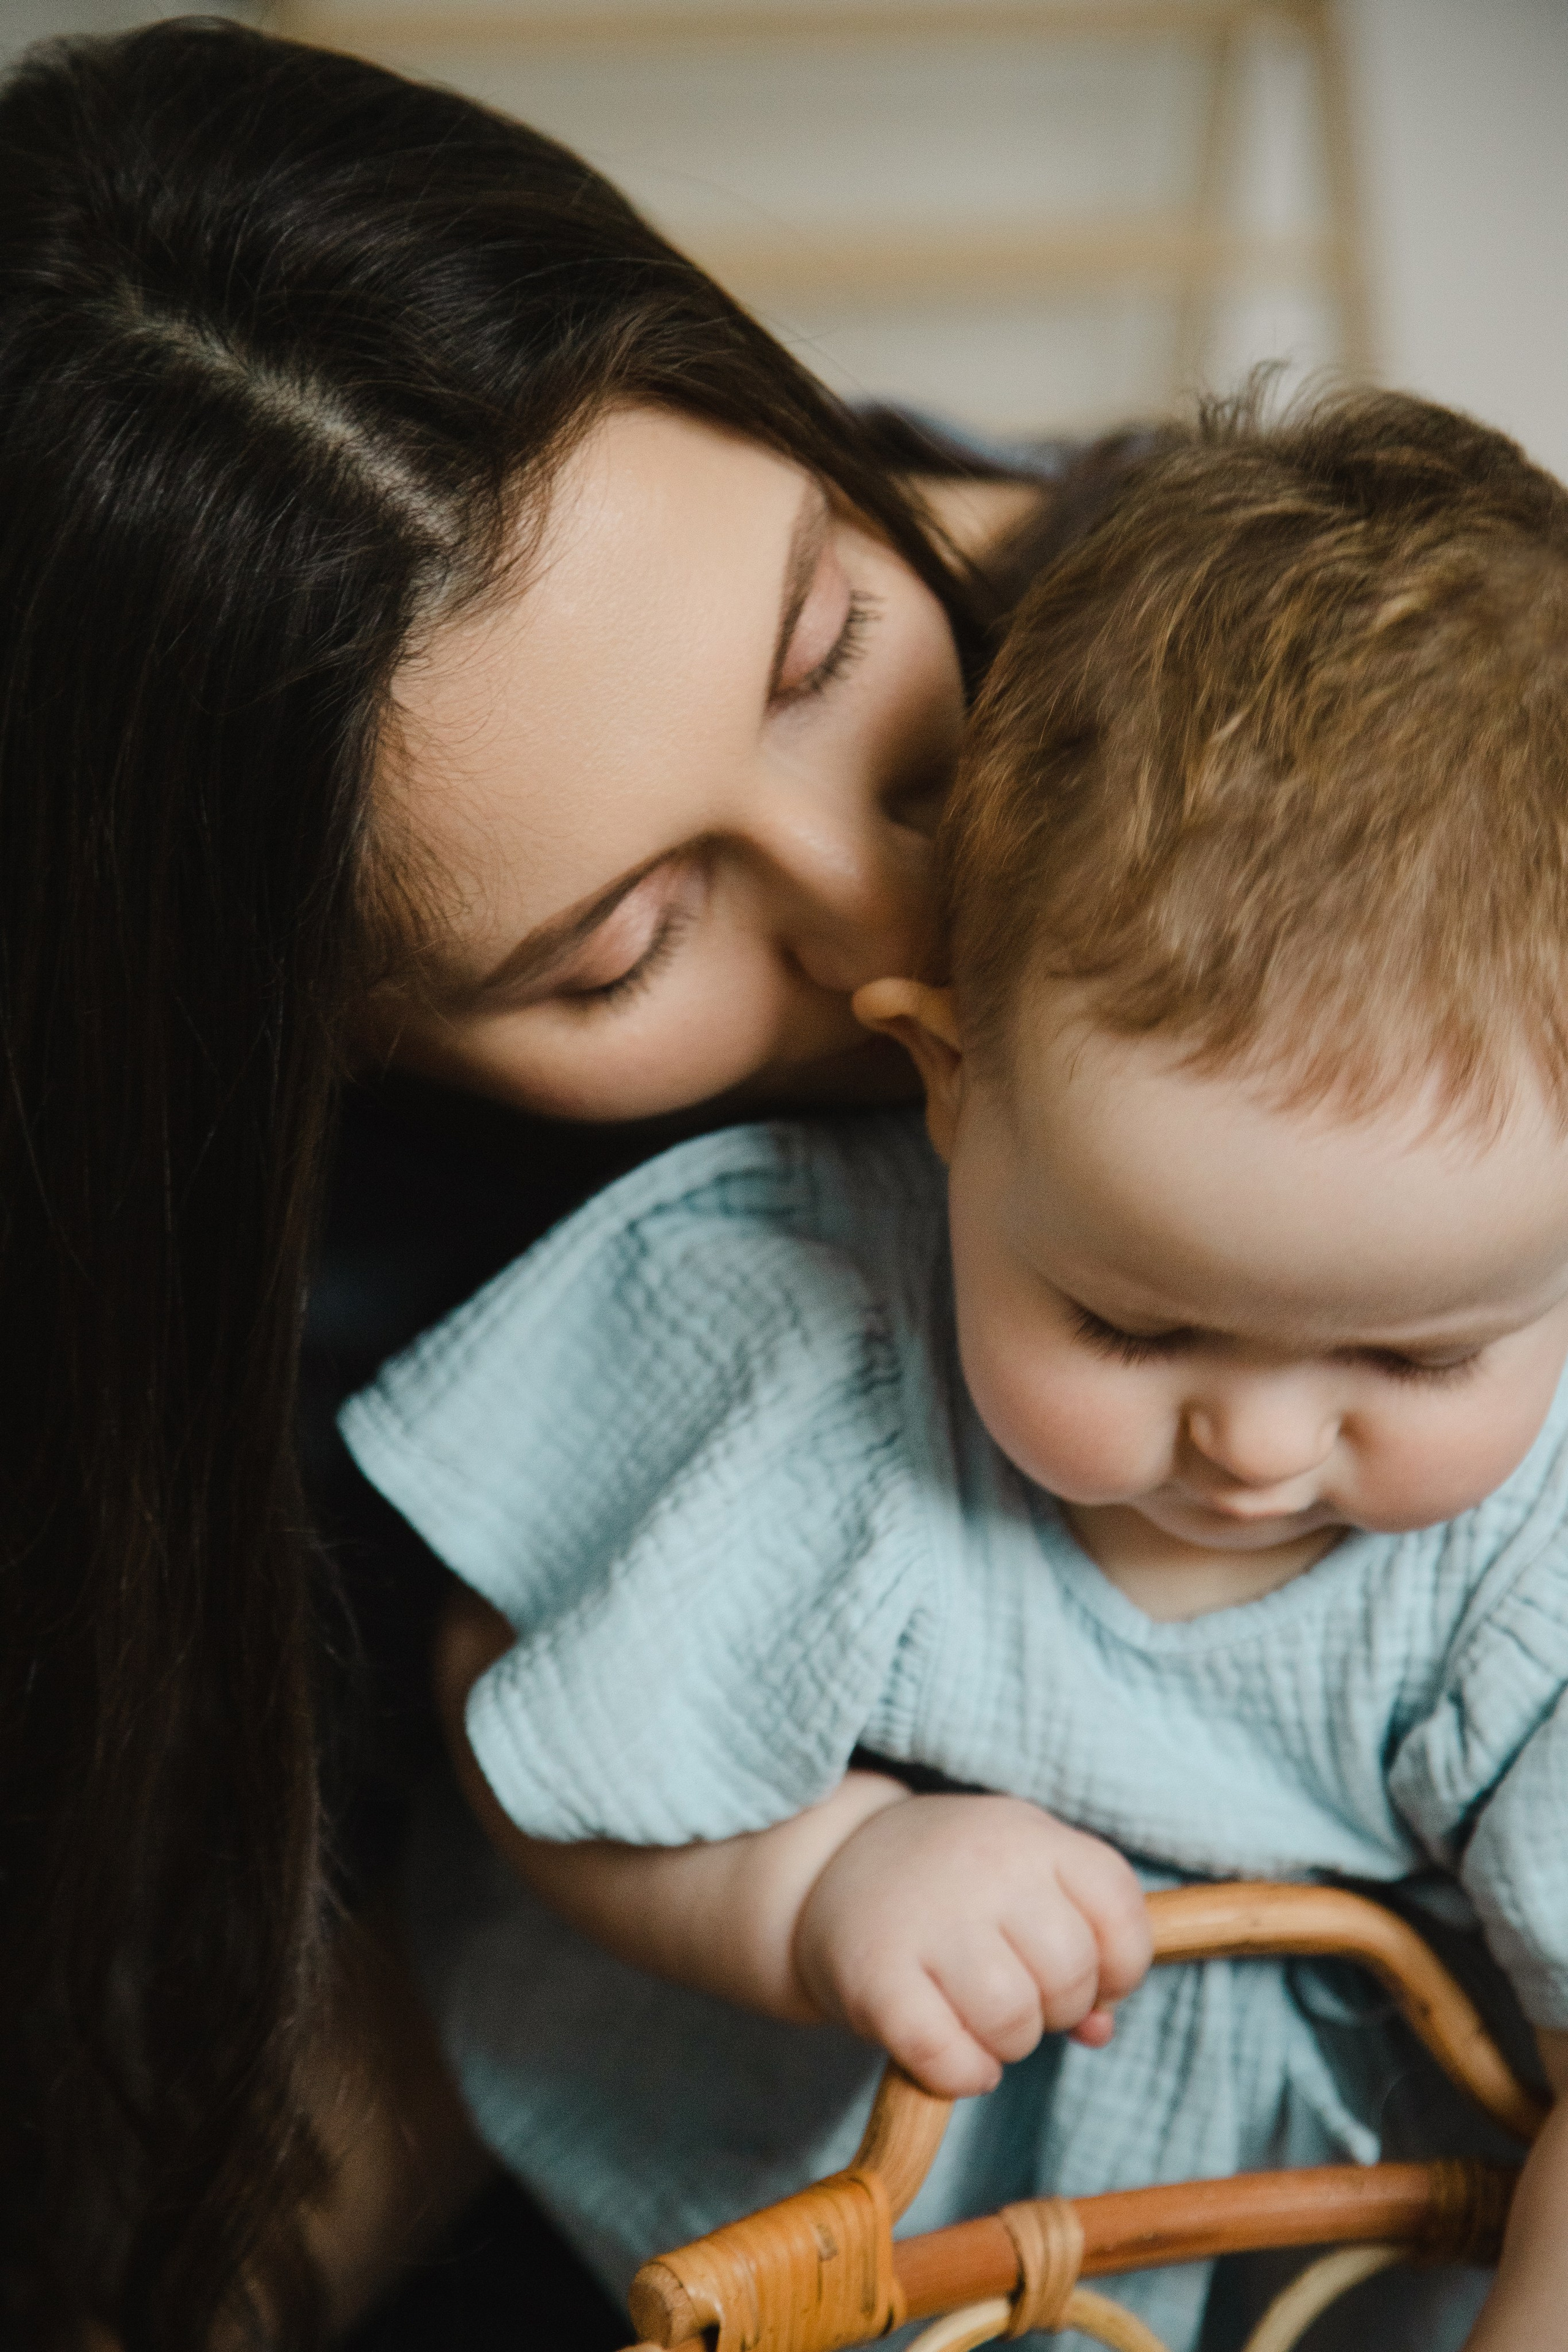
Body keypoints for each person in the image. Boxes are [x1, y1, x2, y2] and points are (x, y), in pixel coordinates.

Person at [0, 17, 1088, 2346]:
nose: (901, 929)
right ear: (328, 1046)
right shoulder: (299, 1357)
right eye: (619, 946)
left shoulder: (1248, 633)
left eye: (830, 651)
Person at [344, 387, 1568, 2351]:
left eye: (1420, 1354)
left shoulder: (1534, 1559)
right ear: (945, 1090)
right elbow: (524, 1709)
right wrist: (823, 1884)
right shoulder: (805, 1315)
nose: (1255, 1445)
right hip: (771, 2209)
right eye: (1131, 1322)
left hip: (1309, 2268)